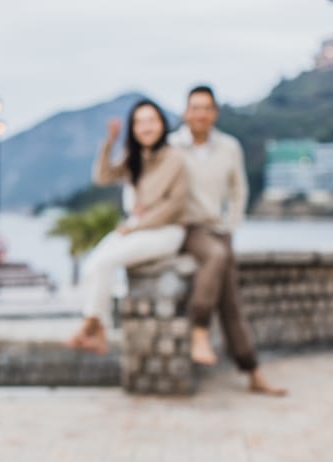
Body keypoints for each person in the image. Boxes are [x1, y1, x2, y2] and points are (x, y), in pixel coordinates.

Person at [169, 85, 286, 396]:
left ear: (215, 113)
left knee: (232, 302)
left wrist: (231, 226)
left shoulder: (229, 147)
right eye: (195, 107)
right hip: (187, 229)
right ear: (186, 112)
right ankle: (199, 330)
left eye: (206, 108)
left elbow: (239, 191)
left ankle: (252, 370)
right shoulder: (172, 146)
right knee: (218, 257)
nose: (200, 114)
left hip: (218, 230)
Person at [65, 99, 189, 354]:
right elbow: (102, 177)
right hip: (138, 227)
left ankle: (93, 328)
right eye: (139, 122)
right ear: (132, 128)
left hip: (166, 231)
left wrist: (136, 225)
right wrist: (109, 142)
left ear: (162, 124)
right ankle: (98, 329)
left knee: (105, 263)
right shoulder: (134, 158)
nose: (146, 127)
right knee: (92, 265)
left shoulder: (175, 158)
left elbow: (174, 206)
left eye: (151, 120)